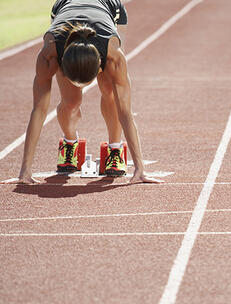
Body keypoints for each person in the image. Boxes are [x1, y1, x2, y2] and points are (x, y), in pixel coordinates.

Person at [5, 0, 161, 184]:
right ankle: (70, 143)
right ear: (62, 64)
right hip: (65, 8)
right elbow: (39, 110)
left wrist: (140, 168)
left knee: (110, 92)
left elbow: (125, 111)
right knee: (71, 101)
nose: (82, 88)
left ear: (99, 67)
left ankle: (115, 148)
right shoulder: (50, 53)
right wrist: (25, 171)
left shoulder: (113, 56)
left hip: (110, 10)